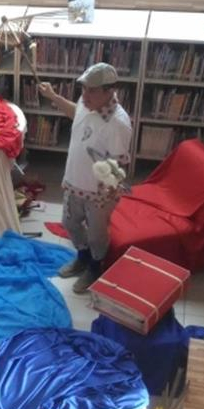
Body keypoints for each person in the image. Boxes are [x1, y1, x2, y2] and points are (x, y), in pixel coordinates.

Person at [38, 63, 133, 294]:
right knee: (70, 223)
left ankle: (94, 266)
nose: (84, 95)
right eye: (84, 89)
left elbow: (119, 163)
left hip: (99, 192)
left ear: (109, 91)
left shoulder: (117, 123)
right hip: (74, 181)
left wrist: (110, 191)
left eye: (91, 90)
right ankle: (82, 257)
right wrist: (54, 96)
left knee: (96, 234)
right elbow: (76, 112)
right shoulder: (86, 102)